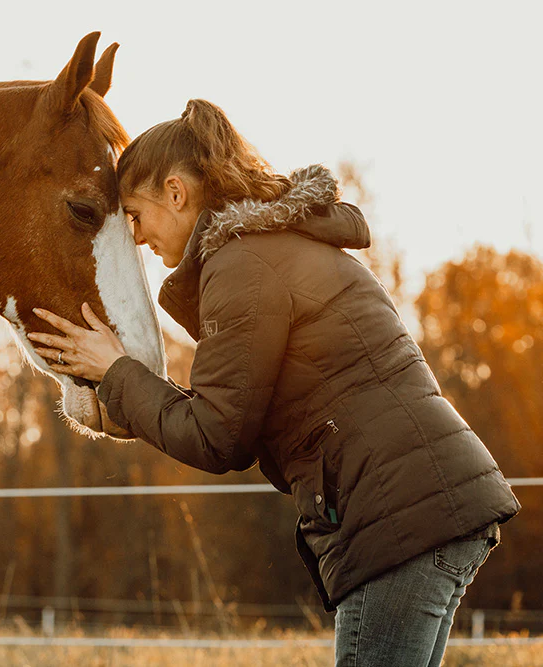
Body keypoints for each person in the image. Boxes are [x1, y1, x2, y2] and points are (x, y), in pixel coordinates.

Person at [27, 99, 520, 666]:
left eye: (136, 215)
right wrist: (127, 388)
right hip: (422, 506)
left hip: (400, 518)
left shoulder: (242, 264)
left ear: (175, 192)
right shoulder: (271, 250)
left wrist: (116, 371)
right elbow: (227, 412)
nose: (136, 237)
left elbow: (216, 437)